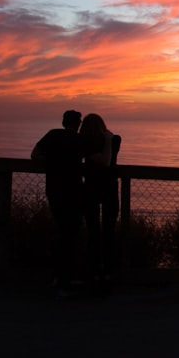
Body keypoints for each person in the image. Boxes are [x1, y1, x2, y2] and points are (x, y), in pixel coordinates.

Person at [31, 110, 86, 296]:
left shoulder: (52, 135)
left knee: (62, 232)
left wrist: (52, 161)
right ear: (77, 124)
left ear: (63, 122)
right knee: (71, 234)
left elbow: (35, 154)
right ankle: (65, 280)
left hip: (54, 191)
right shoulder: (80, 140)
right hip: (74, 192)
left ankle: (59, 277)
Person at [80, 112, 121, 286]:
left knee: (96, 233)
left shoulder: (88, 144)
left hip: (93, 189)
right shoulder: (109, 141)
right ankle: (103, 273)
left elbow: (104, 161)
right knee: (104, 233)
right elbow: (106, 162)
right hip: (106, 190)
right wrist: (108, 140)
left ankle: (98, 272)